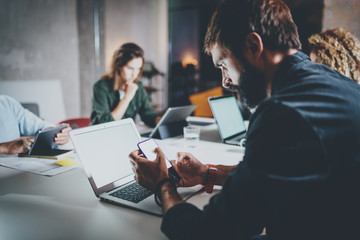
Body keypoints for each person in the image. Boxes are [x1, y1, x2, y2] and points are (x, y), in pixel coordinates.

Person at [129, 0, 360, 239]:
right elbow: (275, 171)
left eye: (224, 65)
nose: (225, 82)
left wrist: (162, 184)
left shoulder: (283, 113)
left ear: (252, 45)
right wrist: (207, 173)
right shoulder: (336, 82)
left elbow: (206, 233)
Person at [91, 42, 159, 127]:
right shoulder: (101, 87)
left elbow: (147, 114)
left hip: (125, 135)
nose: (134, 74)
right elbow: (106, 124)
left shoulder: (138, 86)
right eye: (130, 68)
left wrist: (160, 120)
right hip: (101, 136)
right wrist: (127, 97)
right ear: (119, 66)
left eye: (138, 69)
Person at [0, 95, 71, 155]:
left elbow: (41, 127)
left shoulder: (7, 103)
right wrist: (4, 148)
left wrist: (58, 133)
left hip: (15, 165)